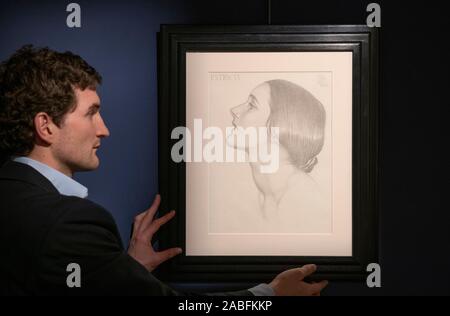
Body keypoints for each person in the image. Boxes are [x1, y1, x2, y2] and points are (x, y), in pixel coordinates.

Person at [0, 45, 328, 295]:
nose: (104, 130)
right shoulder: (70, 223)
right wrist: (268, 295)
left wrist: (124, 272)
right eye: (91, 113)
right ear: (45, 126)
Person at [228, 80, 330, 233]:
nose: (234, 110)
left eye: (252, 105)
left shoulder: (303, 201)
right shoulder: (262, 195)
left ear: (281, 125)